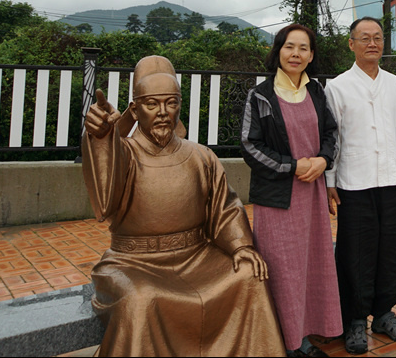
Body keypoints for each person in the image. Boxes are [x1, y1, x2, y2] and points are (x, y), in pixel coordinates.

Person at [82, 55, 284, 357]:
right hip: (134, 262)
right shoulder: (124, 152)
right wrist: (100, 138)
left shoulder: (200, 156)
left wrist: (241, 246)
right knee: (141, 298)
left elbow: (225, 209)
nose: (163, 113)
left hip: (196, 255)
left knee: (248, 277)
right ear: (135, 110)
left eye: (171, 103)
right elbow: (105, 196)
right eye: (152, 104)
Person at [240, 24, 342, 358]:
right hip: (278, 197)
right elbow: (249, 145)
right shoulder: (261, 95)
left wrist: (324, 160)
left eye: (303, 48)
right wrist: (292, 165)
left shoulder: (316, 91)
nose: (296, 54)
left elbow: (331, 132)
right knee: (282, 268)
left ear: (312, 55)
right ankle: (287, 342)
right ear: (278, 51)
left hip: (311, 194)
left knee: (312, 264)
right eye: (289, 47)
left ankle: (309, 333)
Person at [324, 16, 396, 354]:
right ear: (351, 44)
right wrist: (331, 181)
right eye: (364, 38)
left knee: (391, 249)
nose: (372, 44)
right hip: (354, 181)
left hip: (391, 179)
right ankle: (354, 319)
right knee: (355, 251)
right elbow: (332, 139)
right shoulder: (337, 87)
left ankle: (383, 313)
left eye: (378, 38)